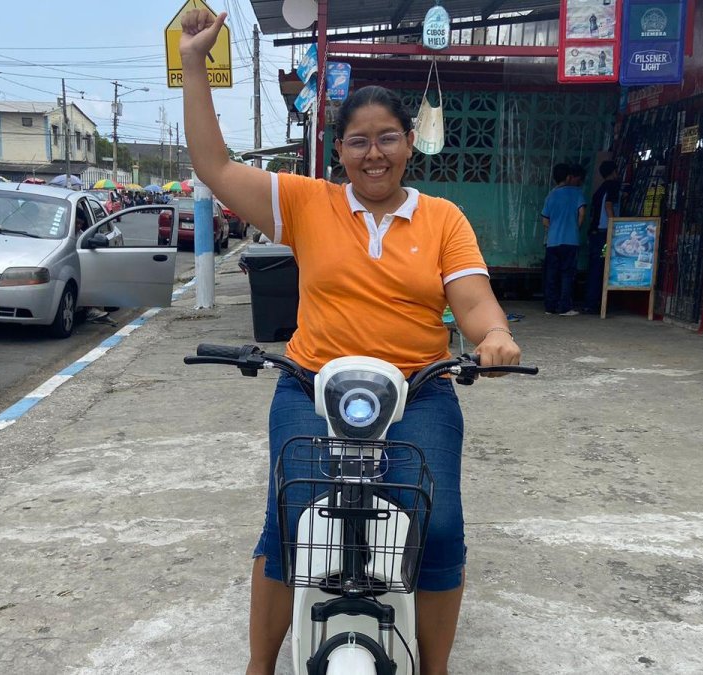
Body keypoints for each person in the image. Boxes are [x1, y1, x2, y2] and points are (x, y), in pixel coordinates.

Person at [179, 10, 523, 675]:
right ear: (339, 150)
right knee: (291, 520)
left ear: (409, 143)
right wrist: (195, 64)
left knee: (438, 524)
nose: (375, 154)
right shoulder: (306, 203)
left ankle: (435, 667)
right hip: (311, 386)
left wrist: (496, 337)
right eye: (359, 141)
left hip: (419, 391)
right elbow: (214, 166)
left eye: (388, 138)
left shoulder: (443, 219)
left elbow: (475, 301)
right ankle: (259, 665)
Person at [541, 163, 586, 316]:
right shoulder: (577, 193)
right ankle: (564, 307)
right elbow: (582, 213)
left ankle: (550, 307)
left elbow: (545, 221)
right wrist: (575, 228)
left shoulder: (551, 195)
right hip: (570, 240)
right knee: (567, 275)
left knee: (551, 274)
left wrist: (555, 229)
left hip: (552, 242)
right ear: (568, 177)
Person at [584, 160, 620, 313]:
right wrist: (615, 227)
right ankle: (593, 303)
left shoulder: (599, 189)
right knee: (601, 267)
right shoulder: (613, 186)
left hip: (595, 233)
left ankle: (590, 302)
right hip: (604, 233)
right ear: (613, 172)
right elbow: (608, 206)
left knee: (595, 267)